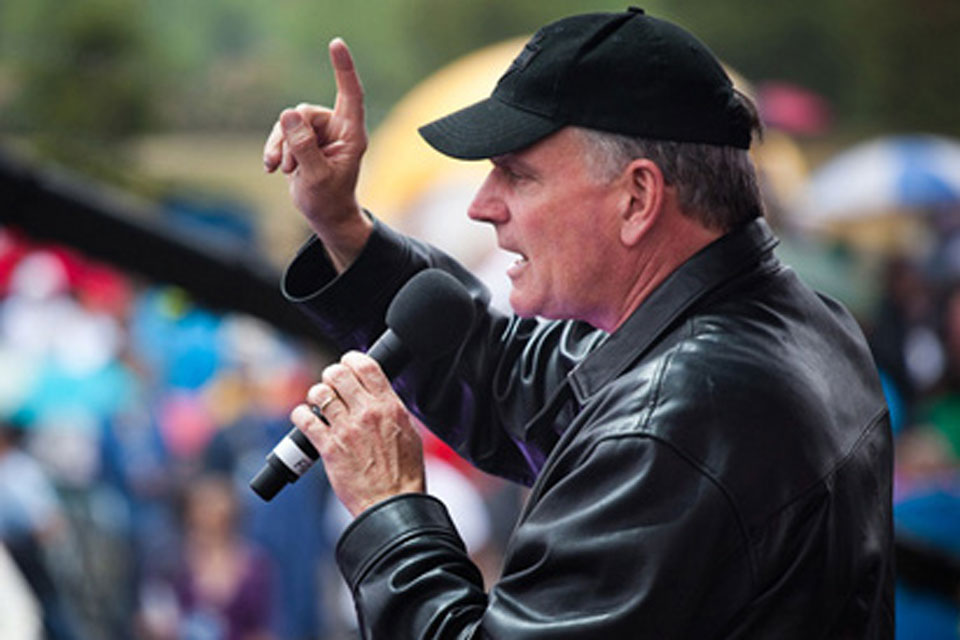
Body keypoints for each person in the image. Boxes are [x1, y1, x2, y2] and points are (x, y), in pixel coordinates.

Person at [263, 8, 894, 638]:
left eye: (516, 173)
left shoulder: (675, 421)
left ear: (637, 198)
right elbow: (512, 380)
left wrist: (388, 506)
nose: (483, 206)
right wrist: (343, 225)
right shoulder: (775, 322)